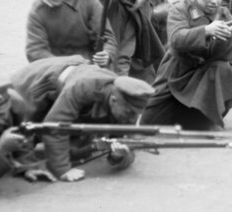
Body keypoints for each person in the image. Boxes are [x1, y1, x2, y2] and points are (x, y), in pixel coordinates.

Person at [11, 55, 155, 182]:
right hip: (34, 84)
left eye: (135, 114)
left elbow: (126, 144)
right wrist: (62, 169)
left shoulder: (127, 101)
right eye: (129, 113)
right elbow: (54, 126)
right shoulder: (84, 87)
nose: (131, 119)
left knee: (79, 139)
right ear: (113, 100)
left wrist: (119, 156)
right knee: (23, 133)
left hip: (63, 87)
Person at [140, 0, 232, 130]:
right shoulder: (181, 9)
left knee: (221, 68)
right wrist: (207, 30)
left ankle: (207, 118)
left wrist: (228, 38)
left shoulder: (224, 14)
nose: (214, 0)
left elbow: (224, 56)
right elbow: (176, 40)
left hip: (204, 70)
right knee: (148, 122)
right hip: (177, 71)